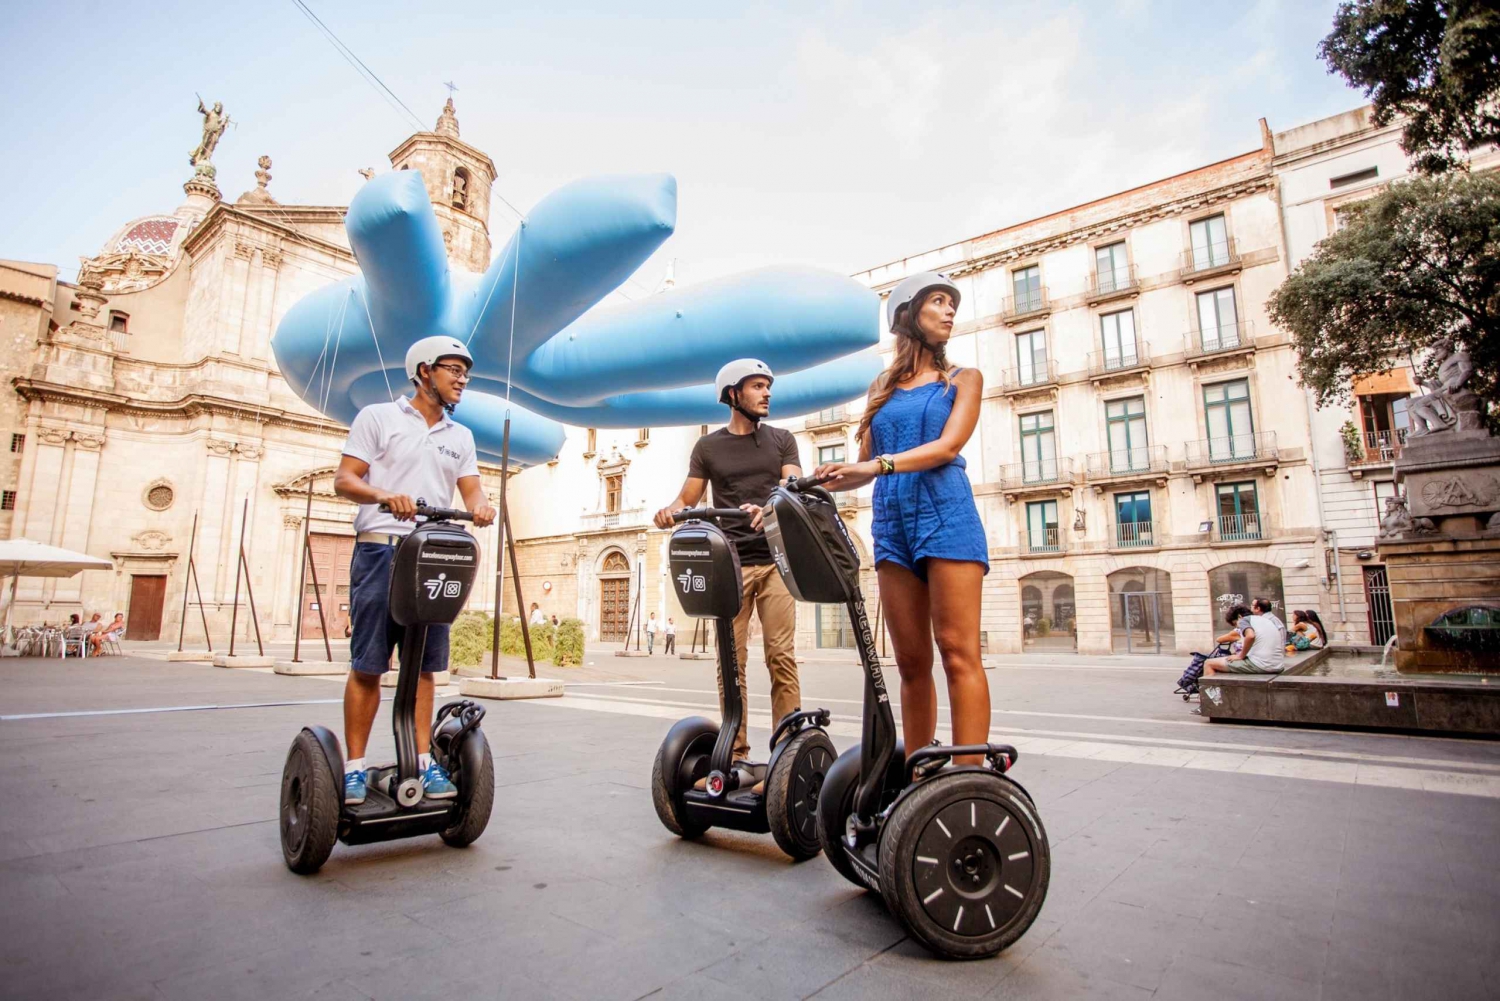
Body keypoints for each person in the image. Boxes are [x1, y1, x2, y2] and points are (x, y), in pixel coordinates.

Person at [813, 272, 991, 765]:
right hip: (892, 525)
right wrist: (822, 480)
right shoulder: (882, 389)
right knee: (911, 663)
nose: (950, 311)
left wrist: (876, 465)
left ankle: (966, 778)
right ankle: (919, 775)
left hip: (946, 514)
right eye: (939, 301)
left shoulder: (964, 379)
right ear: (908, 315)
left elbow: (947, 446)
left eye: (952, 303)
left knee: (958, 652)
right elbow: (863, 466)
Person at [333, 335, 496, 806]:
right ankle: (353, 769)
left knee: (425, 668)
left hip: (432, 554)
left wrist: (482, 508)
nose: (462, 378)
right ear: (424, 371)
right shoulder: (378, 417)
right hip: (381, 550)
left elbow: (472, 494)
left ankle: (423, 763)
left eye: (465, 371)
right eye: (453, 369)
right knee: (368, 665)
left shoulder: (460, 437)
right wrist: (384, 495)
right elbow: (345, 479)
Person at [654, 358, 803, 779]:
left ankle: (787, 752)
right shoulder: (707, 447)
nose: (767, 393)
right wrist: (670, 511)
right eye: (757, 386)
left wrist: (773, 502)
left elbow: (791, 483)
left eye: (768, 386)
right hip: (731, 563)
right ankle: (736, 753)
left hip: (776, 561)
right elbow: (688, 496)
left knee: (781, 656)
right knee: (730, 662)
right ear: (733, 394)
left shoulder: (782, 440)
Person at [1203, 604, 1285, 675]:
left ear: (1239, 616)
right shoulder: (1263, 620)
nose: (1237, 627)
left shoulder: (1243, 620)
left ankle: (1211, 692)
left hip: (1262, 665)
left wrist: (1240, 656)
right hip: (1278, 665)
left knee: (1208, 663)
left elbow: (1250, 636)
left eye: (1235, 624)